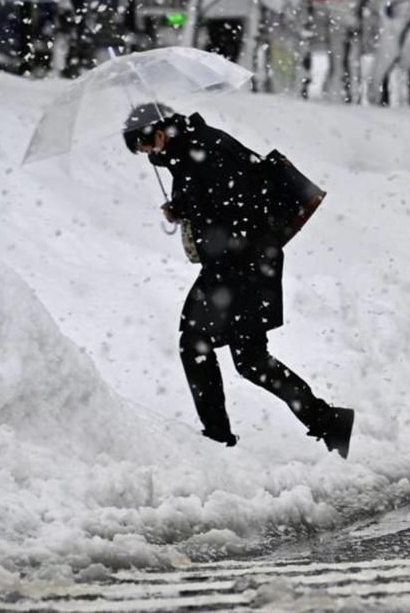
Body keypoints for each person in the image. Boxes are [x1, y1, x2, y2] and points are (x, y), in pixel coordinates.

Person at [122, 104, 354, 457]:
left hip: (242, 264)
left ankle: (217, 440)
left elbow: (242, 204)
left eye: (148, 146)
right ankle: (327, 420)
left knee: (198, 344)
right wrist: (183, 208)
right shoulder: (187, 152)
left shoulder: (207, 148)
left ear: (159, 132)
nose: (150, 155)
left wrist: (202, 218)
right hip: (237, 264)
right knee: (250, 360)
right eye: (144, 153)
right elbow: (212, 199)